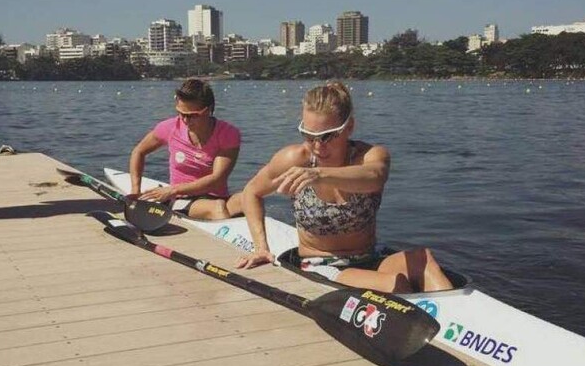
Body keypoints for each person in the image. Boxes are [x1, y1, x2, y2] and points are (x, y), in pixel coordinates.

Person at [235, 81, 452, 293]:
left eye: (327, 136)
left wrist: (319, 174)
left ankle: (452, 316)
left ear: (349, 127)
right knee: (395, 285)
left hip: (370, 256)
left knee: (423, 261)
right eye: (308, 135)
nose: (318, 146)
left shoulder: (371, 156)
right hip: (322, 265)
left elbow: (375, 177)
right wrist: (261, 248)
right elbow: (251, 192)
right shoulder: (294, 159)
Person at [129, 78, 242, 219]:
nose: (185, 120)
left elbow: (217, 179)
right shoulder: (170, 127)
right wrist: (135, 190)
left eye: (192, 115)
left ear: (208, 110)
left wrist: (172, 189)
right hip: (182, 198)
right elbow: (139, 151)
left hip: (217, 196)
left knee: (250, 197)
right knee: (217, 207)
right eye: (181, 113)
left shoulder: (228, 133)